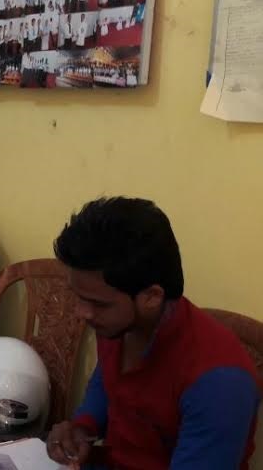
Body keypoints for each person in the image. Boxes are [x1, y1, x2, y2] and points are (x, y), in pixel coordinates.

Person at [47, 197, 260, 469]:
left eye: (98, 304)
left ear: (151, 296)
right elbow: (106, 381)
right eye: (78, 297)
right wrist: (82, 427)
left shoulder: (220, 382)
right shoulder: (117, 324)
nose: (81, 313)